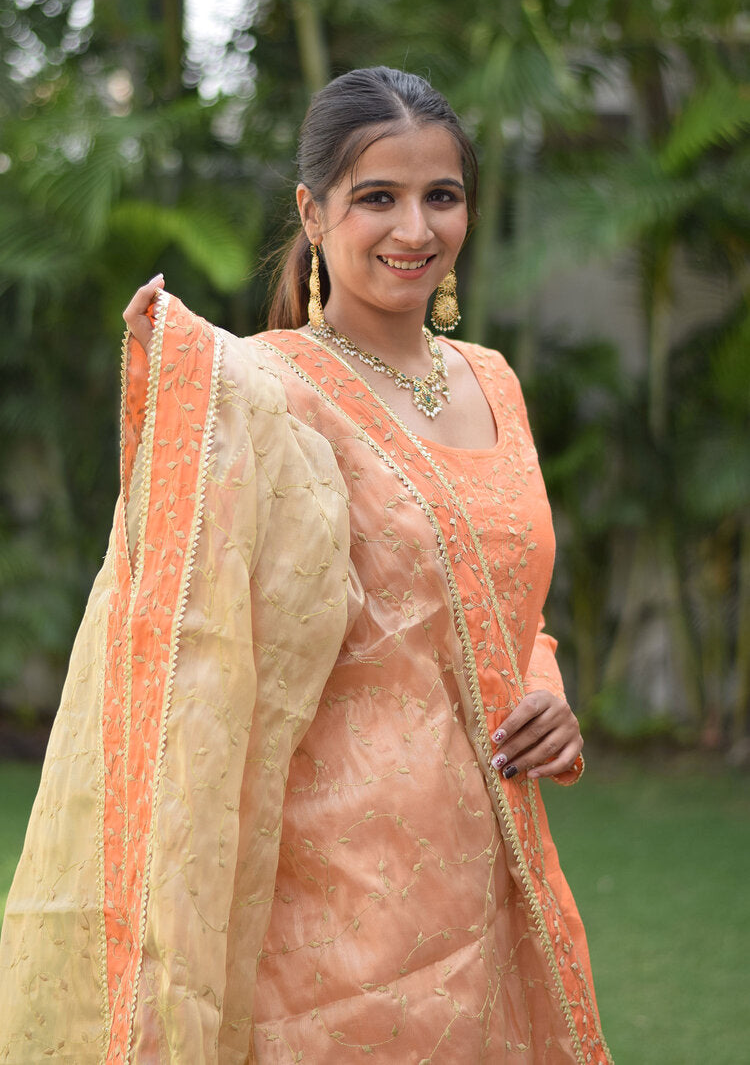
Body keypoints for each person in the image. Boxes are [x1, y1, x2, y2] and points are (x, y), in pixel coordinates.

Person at [0, 67, 611, 1063]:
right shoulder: (268, 390)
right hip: (337, 891)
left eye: (440, 197)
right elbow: (196, 622)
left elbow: (503, 599)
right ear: (312, 211)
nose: (414, 228)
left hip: (499, 870)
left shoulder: (493, 380)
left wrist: (544, 687)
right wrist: (175, 351)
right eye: (378, 197)